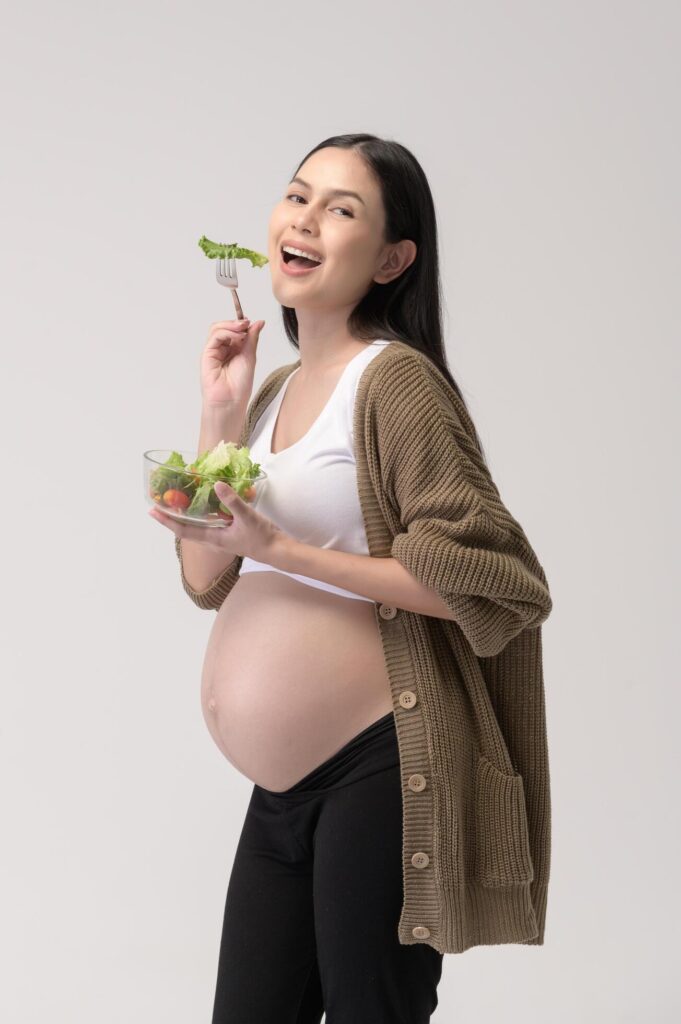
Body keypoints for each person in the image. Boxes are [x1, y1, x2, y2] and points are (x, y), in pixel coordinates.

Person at [148, 133, 553, 1024]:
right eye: (299, 196)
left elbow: (486, 577)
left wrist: (286, 550)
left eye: (342, 209)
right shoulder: (275, 390)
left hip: (380, 766)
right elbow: (207, 577)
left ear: (392, 258)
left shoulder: (395, 383)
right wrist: (220, 409)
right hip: (282, 790)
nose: (306, 219)